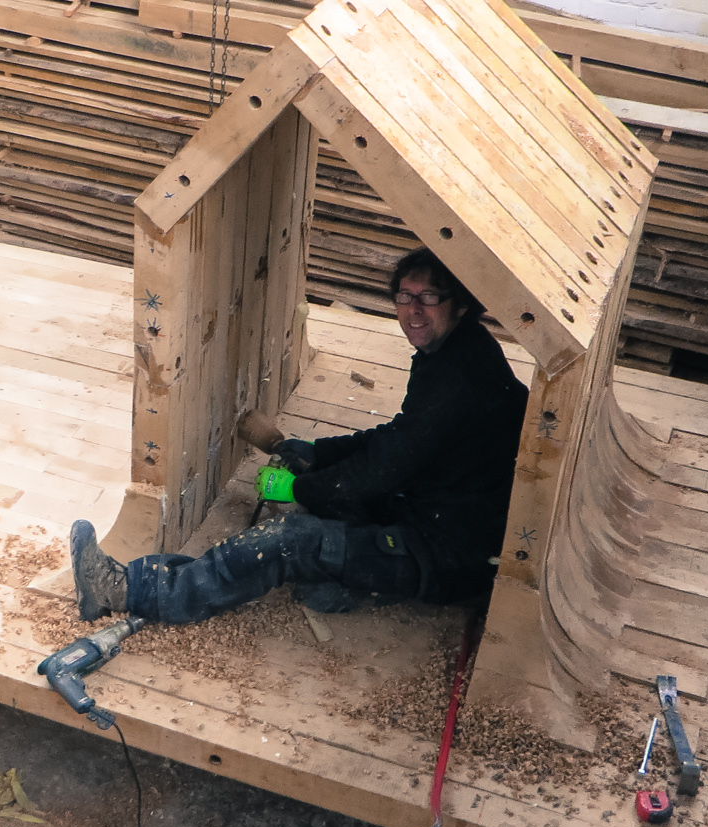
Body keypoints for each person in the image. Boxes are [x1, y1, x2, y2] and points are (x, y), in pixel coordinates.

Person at [70, 246, 529, 625]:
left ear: (460, 304)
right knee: (328, 495)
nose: (413, 310)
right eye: (405, 296)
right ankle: (347, 584)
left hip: (446, 554)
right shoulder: (457, 351)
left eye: (428, 297)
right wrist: (317, 453)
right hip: (437, 511)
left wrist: (299, 488)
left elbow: (383, 468)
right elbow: (401, 437)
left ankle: (129, 590)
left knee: (290, 539)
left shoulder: (458, 377)